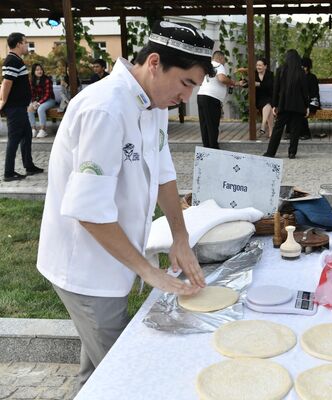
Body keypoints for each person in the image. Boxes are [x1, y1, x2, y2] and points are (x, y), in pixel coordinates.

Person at [36, 21, 214, 392]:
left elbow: (164, 174)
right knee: (126, 378)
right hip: (87, 270)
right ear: (154, 62)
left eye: (195, 87)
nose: (188, 96)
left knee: (98, 373)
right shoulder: (105, 109)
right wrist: (149, 271)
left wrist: (180, 237)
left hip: (118, 259)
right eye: (186, 83)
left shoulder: (154, 103)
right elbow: (89, 211)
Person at [0, 32, 44, 182]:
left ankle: (29, 166)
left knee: (26, 136)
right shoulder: (12, 60)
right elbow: (6, 83)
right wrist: (3, 101)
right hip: (15, 108)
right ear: (18, 44)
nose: (27, 45)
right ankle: (8, 173)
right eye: (25, 42)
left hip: (21, 107)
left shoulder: (17, 60)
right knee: (14, 140)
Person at [263, 49, 309, 159]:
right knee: (295, 130)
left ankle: (270, 152)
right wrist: (307, 106)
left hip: (283, 105)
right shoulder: (301, 72)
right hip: (298, 106)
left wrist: (274, 105)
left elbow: (276, 89)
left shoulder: (280, 70)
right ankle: (292, 153)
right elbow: (305, 91)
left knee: (277, 130)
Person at [197, 50, 242, 149]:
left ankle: (206, 147)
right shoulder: (219, 65)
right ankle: (213, 147)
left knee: (204, 124)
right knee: (212, 124)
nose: (224, 63)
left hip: (201, 95)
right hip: (211, 98)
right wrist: (234, 83)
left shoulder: (207, 65)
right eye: (224, 60)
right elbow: (222, 78)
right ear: (221, 58)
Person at [28, 63, 56, 138]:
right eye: (37, 70)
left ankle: (43, 130)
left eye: (40, 69)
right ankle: (33, 129)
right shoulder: (31, 81)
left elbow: (47, 95)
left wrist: (38, 103)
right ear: (33, 71)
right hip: (38, 101)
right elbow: (32, 94)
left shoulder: (47, 80)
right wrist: (33, 103)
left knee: (40, 109)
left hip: (50, 100)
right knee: (30, 108)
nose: (39, 71)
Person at [299, 56, 323, 140]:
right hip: (302, 102)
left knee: (302, 110)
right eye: (301, 66)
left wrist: (307, 105)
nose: (303, 68)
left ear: (307, 67)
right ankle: (291, 132)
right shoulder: (299, 77)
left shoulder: (312, 77)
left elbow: (314, 94)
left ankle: (306, 133)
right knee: (295, 108)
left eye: (304, 66)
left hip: (313, 101)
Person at [254, 57, 274, 138]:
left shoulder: (270, 74)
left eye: (260, 65)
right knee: (269, 107)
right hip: (259, 98)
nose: (258, 67)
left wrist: (258, 84)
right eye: (257, 65)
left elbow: (270, 86)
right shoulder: (254, 74)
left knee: (269, 104)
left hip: (269, 96)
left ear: (265, 66)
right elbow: (249, 84)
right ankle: (271, 131)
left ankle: (263, 125)